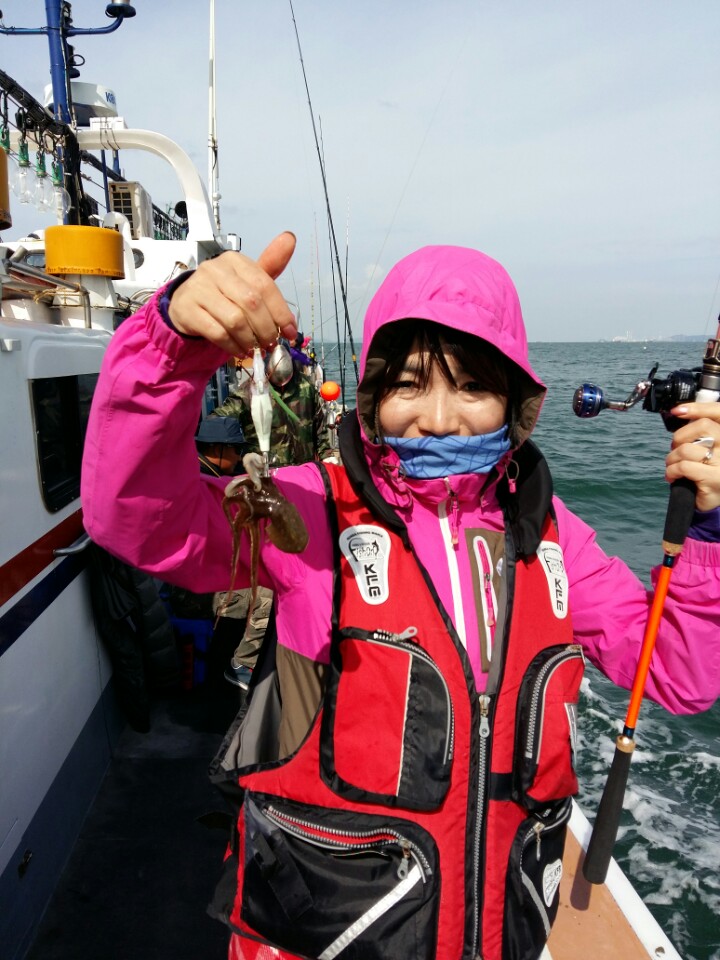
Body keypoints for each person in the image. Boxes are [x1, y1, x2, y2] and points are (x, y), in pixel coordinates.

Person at [81, 232, 720, 960]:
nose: (439, 417)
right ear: (373, 394)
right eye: (410, 384)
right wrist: (171, 345)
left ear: (515, 400)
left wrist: (710, 531)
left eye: (472, 386)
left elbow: (679, 670)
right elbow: (136, 518)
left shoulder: (553, 536)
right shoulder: (309, 509)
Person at [194, 415, 273, 690]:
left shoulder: (210, 473)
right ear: (217, 449)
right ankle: (242, 663)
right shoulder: (202, 483)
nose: (240, 456)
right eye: (236, 449)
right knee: (269, 590)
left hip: (209, 571)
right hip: (197, 587)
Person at [212, 331, 333, 466]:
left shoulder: (306, 387)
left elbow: (319, 426)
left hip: (302, 470)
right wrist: (239, 452)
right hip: (266, 471)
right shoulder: (247, 393)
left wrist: (327, 457)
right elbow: (216, 420)